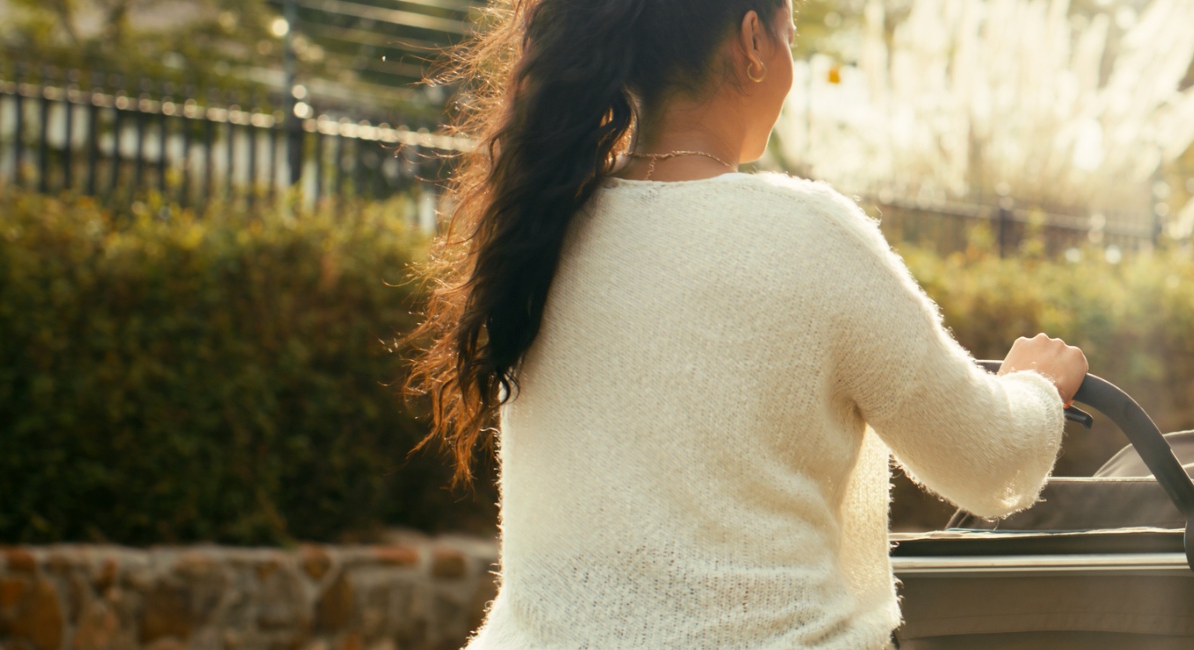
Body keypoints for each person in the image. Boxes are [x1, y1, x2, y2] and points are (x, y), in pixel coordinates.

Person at [402, 0, 1087, 648]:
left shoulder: (539, 231)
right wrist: (1034, 387)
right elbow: (989, 464)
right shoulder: (807, 235)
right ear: (754, 40)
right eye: (790, 38)